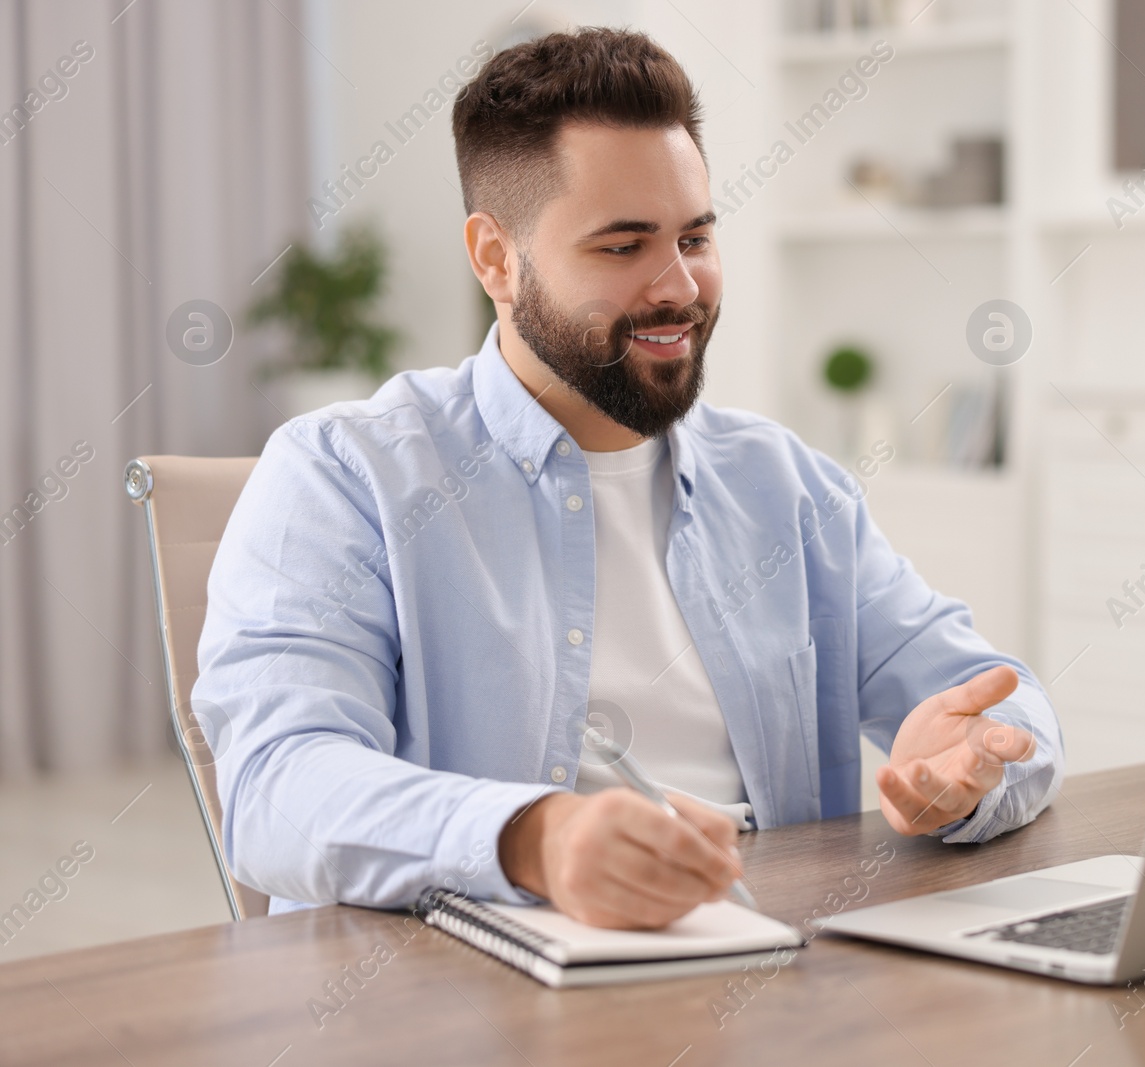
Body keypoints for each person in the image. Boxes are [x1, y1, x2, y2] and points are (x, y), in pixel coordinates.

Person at [192, 26, 1063, 930]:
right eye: (623, 247)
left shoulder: (787, 485)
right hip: (465, 980)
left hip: (776, 970)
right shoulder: (343, 474)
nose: (679, 286)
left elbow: (998, 695)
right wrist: (537, 840)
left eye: (695, 236)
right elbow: (276, 788)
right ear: (496, 258)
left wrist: (973, 766)